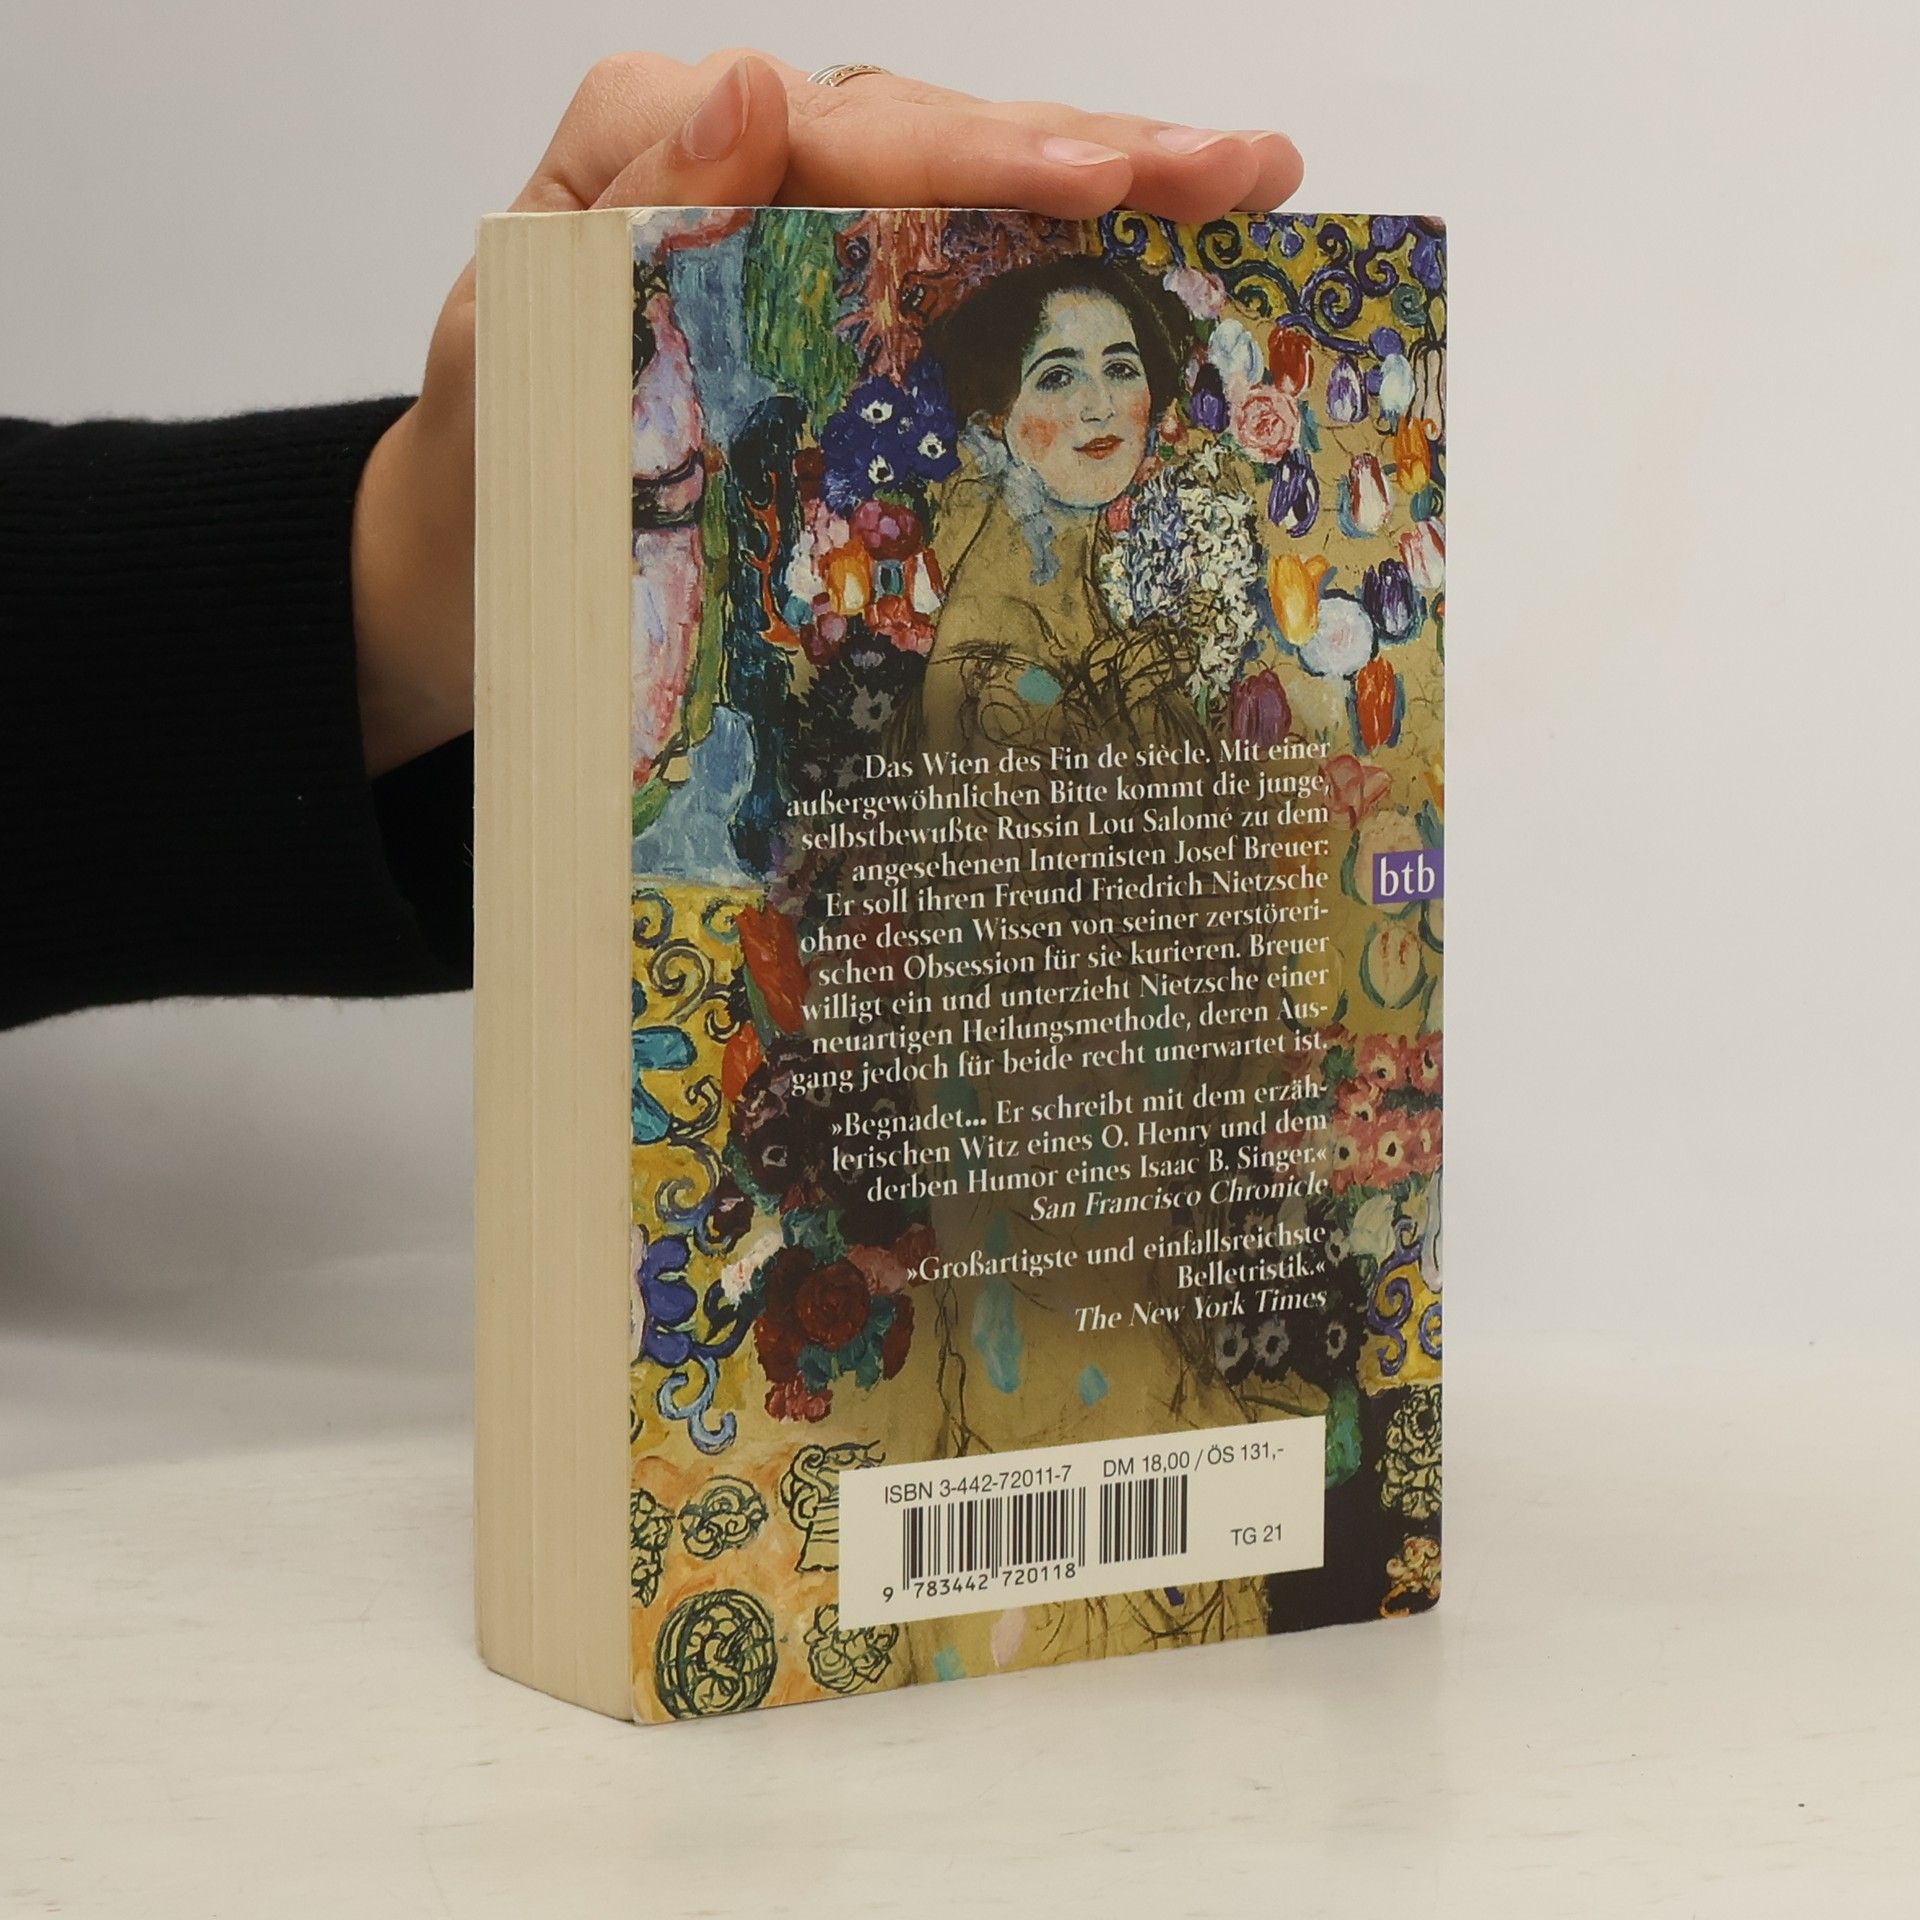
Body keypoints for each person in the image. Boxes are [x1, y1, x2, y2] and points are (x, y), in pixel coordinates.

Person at [0, 48, 1302, 1033]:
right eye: (1058, 373)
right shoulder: (948, 601)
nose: (1100, 404)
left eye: (1121, 368)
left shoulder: (1149, 569)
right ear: (991, 419)